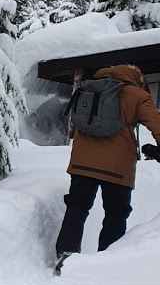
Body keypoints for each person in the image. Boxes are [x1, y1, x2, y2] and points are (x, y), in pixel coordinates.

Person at [54, 65, 160, 270]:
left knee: (77, 208)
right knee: (116, 213)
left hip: (82, 164)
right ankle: (107, 263)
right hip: (117, 168)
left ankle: (65, 255)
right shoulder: (137, 95)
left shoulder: (87, 88)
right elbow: (157, 123)